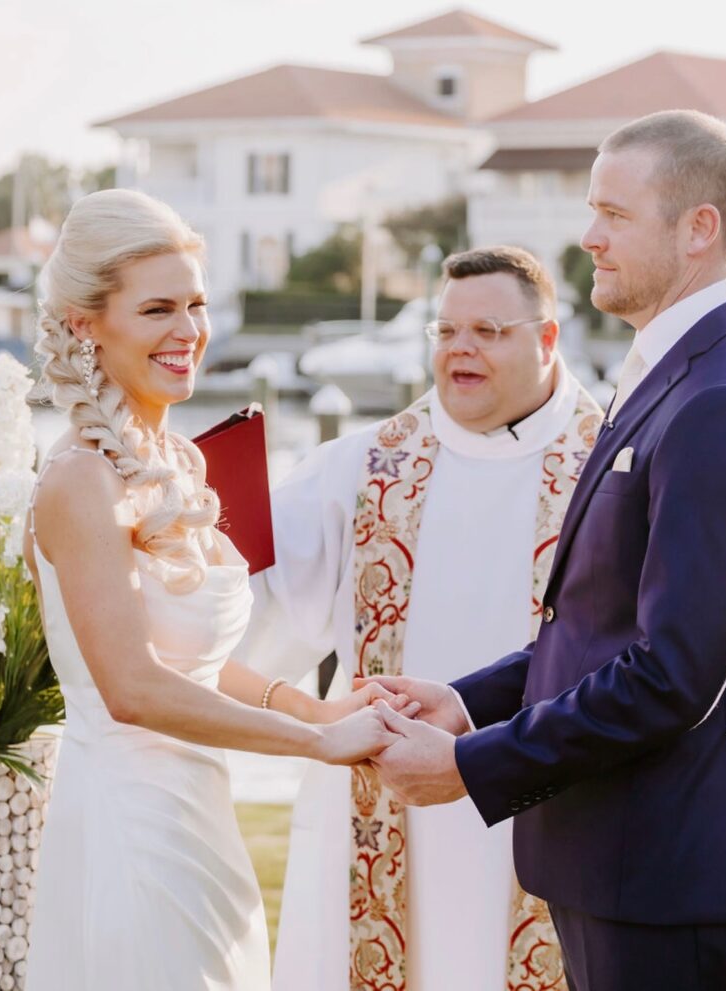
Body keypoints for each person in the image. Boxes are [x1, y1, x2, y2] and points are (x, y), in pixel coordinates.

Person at [368, 110, 726, 991]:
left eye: (614, 214)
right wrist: (465, 701)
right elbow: (600, 619)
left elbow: (674, 672)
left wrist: (471, 766)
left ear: (699, 228)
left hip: (666, 866)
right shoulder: (673, 374)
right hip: (619, 855)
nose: (588, 237)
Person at [22, 189, 410, 990]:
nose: (188, 331)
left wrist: (312, 706)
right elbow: (131, 687)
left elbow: (186, 661)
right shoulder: (79, 484)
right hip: (132, 829)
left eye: (196, 304)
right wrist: (314, 745)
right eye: (158, 308)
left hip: (200, 818)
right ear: (87, 324)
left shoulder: (177, 463)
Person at [241, 246, 599, 990]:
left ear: (548, 338)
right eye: (446, 331)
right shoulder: (363, 466)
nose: (461, 348)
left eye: (489, 330)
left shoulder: (615, 466)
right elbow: (236, 610)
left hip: (556, 810)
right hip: (382, 813)